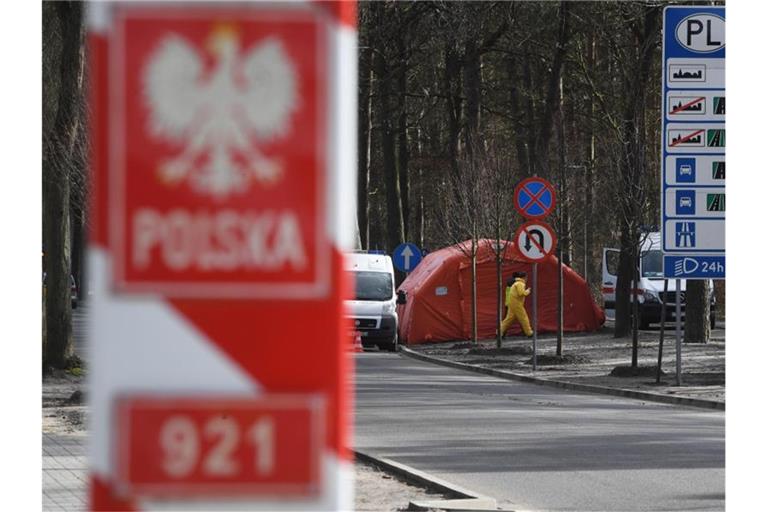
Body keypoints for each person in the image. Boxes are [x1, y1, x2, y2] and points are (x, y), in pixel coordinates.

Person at [500, 272, 533, 337]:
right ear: (524, 277)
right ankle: (529, 333)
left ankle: (499, 331)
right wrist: (528, 291)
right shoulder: (520, 284)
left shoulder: (515, 283)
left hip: (511, 303)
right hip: (517, 303)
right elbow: (521, 293)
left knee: (508, 319)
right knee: (524, 318)